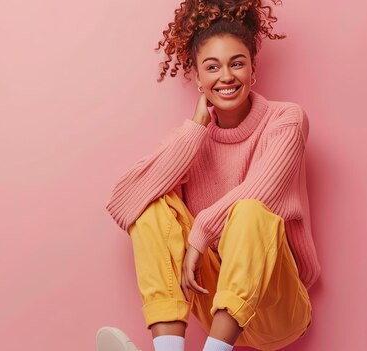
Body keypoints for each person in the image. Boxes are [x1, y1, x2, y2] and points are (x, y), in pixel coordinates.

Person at [98, 1, 321, 350]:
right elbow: (125, 201)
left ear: (253, 69)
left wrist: (201, 231)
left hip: (275, 306)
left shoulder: (286, 120)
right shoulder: (192, 138)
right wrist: (196, 129)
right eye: (212, 67)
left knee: (249, 212)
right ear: (198, 79)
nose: (226, 76)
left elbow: (258, 194)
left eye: (237, 63)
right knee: (153, 206)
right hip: (211, 302)